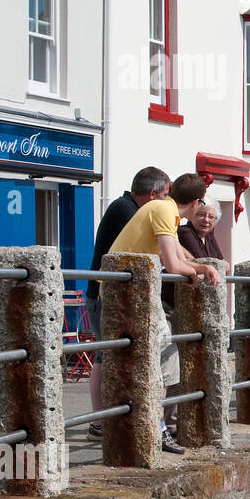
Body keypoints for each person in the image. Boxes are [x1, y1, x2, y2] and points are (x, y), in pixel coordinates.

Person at [107, 172, 222, 454]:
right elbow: (172, 264)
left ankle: (148, 428)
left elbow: (179, 255)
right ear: (196, 202)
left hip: (128, 290)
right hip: (128, 292)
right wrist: (203, 269)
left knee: (152, 360)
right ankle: (158, 430)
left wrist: (195, 265)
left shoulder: (162, 209)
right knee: (163, 360)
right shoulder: (163, 211)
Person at [86, 167, 171, 440]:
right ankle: (99, 423)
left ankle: (108, 419)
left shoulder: (126, 207)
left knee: (110, 353)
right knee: (104, 355)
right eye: (164, 196)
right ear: (152, 194)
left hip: (110, 293)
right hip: (104, 294)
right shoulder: (126, 210)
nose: (166, 202)